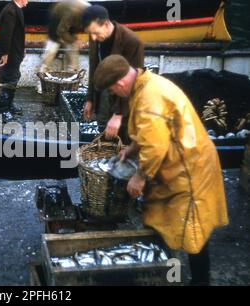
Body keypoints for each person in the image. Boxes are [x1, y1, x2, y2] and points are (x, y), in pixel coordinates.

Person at [93, 55, 229, 285]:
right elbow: (155, 131)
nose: (115, 95)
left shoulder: (148, 97)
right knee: (167, 220)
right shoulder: (146, 84)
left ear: (119, 83)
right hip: (181, 160)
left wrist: (139, 177)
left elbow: (156, 145)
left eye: (113, 91)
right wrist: (133, 150)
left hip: (190, 168)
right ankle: (165, 270)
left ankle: (200, 281)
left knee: (193, 228)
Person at [81, 5, 144, 143]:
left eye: (95, 33)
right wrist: (90, 99)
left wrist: (118, 114)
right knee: (103, 131)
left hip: (124, 100)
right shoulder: (95, 35)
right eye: (90, 34)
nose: (93, 38)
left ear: (106, 24)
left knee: (122, 136)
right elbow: (94, 67)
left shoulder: (132, 42)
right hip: (102, 93)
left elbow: (134, 82)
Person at [0, 0, 28, 122]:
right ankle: (3, 111)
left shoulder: (16, 9)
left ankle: (9, 105)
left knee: (14, 77)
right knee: (9, 79)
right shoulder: (10, 11)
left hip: (15, 52)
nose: (28, 2)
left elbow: (16, 34)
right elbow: (5, 34)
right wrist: (5, 54)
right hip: (9, 53)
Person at [38, 0, 91, 74]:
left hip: (70, 26)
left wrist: (73, 40)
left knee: (73, 53)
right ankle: (42, 77)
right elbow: (61, 31)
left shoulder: (88, 12)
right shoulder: (74, 12)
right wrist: (74, 41)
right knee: (51, 51)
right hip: (56, 23)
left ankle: (73, 77)